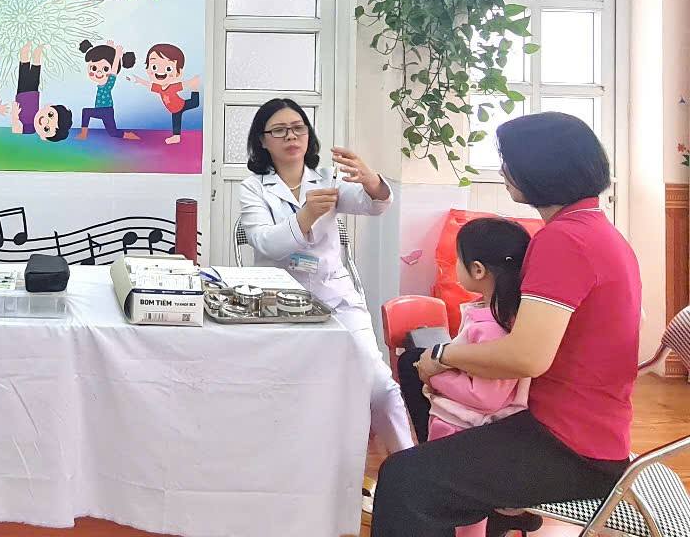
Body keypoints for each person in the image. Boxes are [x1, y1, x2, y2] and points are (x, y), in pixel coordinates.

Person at [372, 113, 639, 537]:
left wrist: (443, 356)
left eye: (508, 161)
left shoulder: (564, 240)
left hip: (571, 447)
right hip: (588, 432)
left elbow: (526, 357)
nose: (503, 171)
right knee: (422, 419)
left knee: (406, 481)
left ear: (541, 167)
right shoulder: (596, 231)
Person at [237, 98, 414, 454]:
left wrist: (372, 181)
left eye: (297, 128)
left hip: (336, 298)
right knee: (290, 390)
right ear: (263, 140)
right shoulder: (253, 187)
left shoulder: (327, 178)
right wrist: (304, 216)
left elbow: (374, 205)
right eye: (279, 130)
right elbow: (265, 243)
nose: (291, 136)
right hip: (278, 305)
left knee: (379, 387)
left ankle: (409, 468)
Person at [423, 217, 532, 537]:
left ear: (478, 270)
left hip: (465, 430)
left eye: (458, 260)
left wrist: (435, 377)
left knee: (462, 510)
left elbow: (486, 397)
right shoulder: (488, 313)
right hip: (460, 425)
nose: (454, 267)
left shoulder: (492, 327)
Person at [127, 43, 200, 145]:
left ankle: (195, 89)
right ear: (148, 68)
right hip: (173, 109)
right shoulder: (159, 88)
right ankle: (176, 137)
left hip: (180, 105)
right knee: (176, 121)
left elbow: (185, 84)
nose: (160, 72)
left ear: (178, 73)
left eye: (168, 68)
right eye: (154, 67)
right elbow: (149, 84)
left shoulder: (173, 87)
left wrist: (193, 81)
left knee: (195, 103)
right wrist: (137, 80)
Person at [75, 39, 139, 141]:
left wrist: (117, 55)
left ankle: (83, 134)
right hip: (103, 110)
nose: (98, 72)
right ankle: (128, 135)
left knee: (86, 112)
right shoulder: (101, 85)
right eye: (94, 68)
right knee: (113, 132)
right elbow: (108, 59)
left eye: (105, 69)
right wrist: (110, 48)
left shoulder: (108, 85)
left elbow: (113, 70)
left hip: (105, 110)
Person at [9, 43, 74, 142]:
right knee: (34, 76)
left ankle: (25, 55)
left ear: (43, 137)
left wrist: (14, 116)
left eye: (46, 129)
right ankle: (35, 57)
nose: (45, 121)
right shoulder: (39, 114)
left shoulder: (31, 129)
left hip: (22, 97)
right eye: (50, 115)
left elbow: (16, 129)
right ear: (49, 106)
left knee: (24, 74)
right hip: (34, 96)